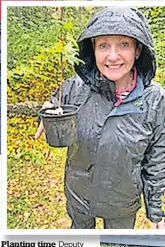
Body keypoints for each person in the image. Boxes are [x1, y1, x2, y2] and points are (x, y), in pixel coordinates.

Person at [35, 7, 165, 229]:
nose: (112, 56)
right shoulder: (74, 88)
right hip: (79, 196)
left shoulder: (155, 100)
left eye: (124, 44)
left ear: (137, 50)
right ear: (92, 50)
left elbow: (157, 157)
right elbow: (55, 103)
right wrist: (50, 108)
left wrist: (155, 210)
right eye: (103, 45)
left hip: (122, 202)